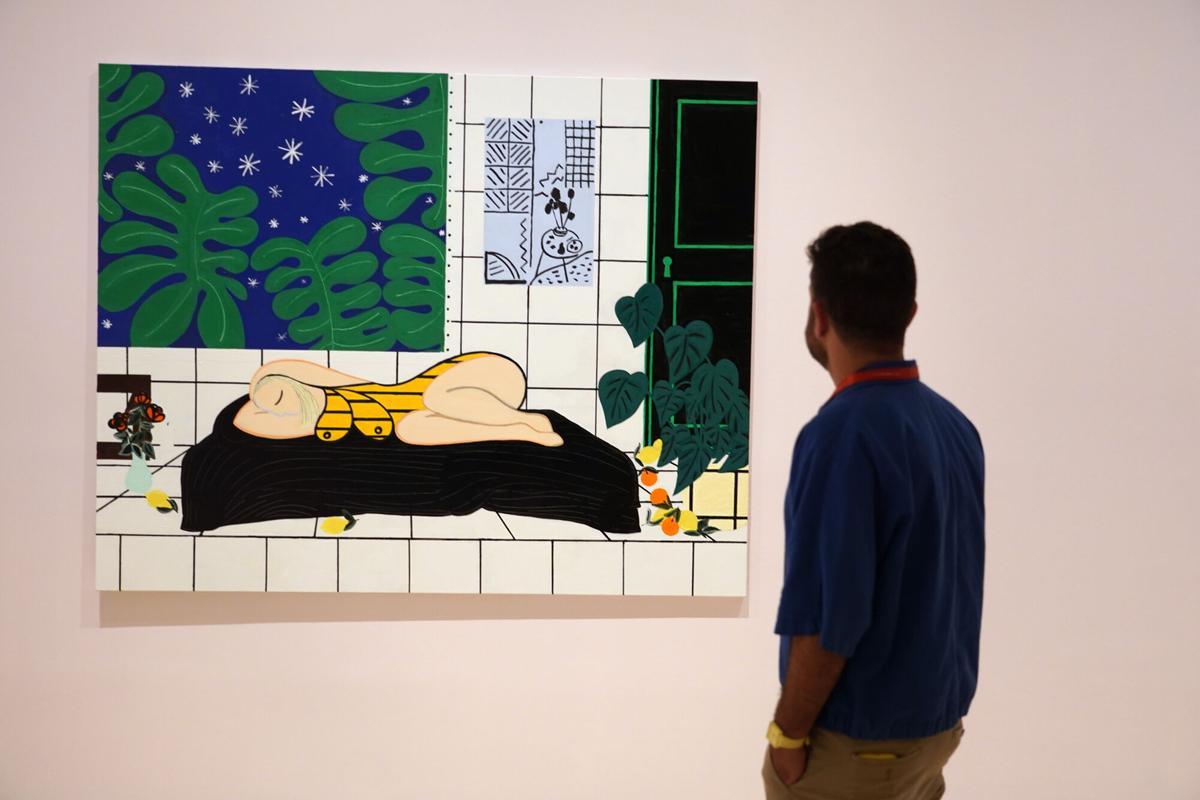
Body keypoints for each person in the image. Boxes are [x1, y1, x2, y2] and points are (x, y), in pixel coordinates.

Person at [763, 222, 985, 799]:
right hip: (934, 734)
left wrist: (787, 737)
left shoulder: (841, 434)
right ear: (909, 314)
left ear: (819, 317)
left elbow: (830, 620)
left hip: (858, 746)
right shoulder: (954, 427)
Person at [233, 351, 564, 448]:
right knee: (409, 430)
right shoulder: (323, 421)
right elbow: (243, 419)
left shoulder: (347, 384)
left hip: (482, 374)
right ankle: (520, 431)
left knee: (436, 397)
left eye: (279, 396)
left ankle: (524, 419)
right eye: (274, 409)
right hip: (437, 407)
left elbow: (283, 369)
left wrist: (266, 379)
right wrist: (265, 399)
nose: (282, 408)